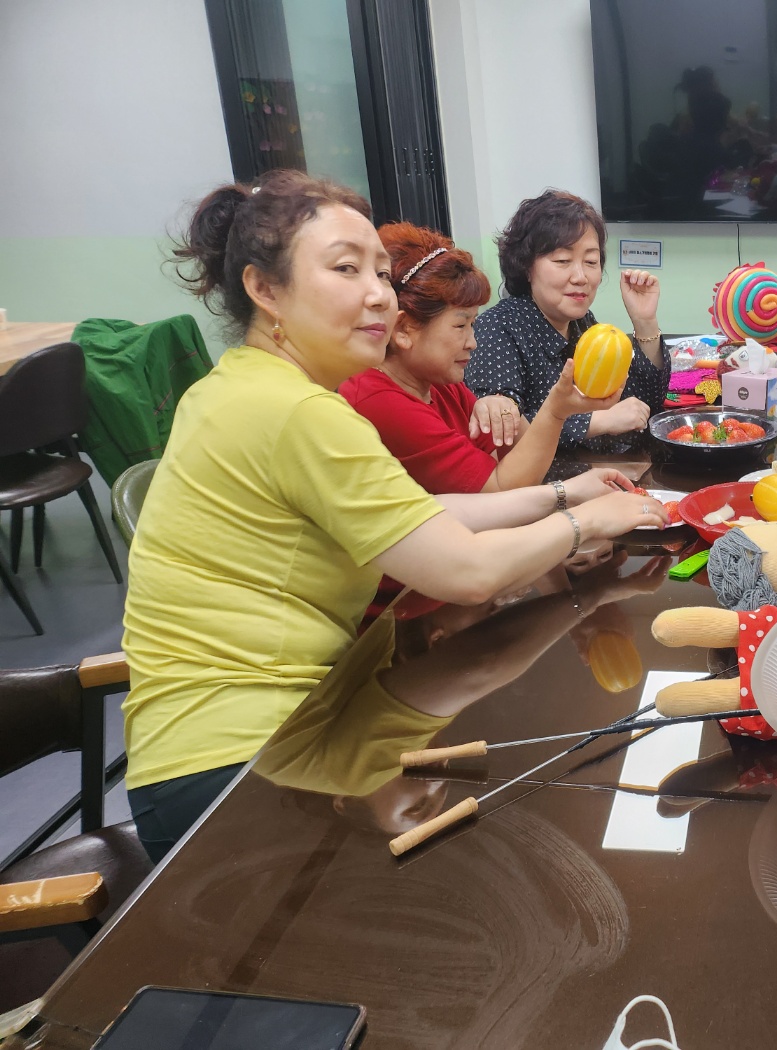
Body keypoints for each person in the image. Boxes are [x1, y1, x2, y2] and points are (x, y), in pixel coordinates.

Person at [123, 170, 668, 861]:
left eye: (381, 272)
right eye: (345, 269)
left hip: (301, 716)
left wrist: (565, 495)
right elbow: (467, 572)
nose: (380, 294)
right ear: (265, 289)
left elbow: (419, 514)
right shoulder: (300, 411)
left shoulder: (242, 385)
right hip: (229, 769)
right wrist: (591, 524)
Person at [342, 221, 621, 494]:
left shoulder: (442, 384)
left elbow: (516, 458)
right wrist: (556, 410)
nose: (473, 342)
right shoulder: (381, 401)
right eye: (460, 325)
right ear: (403, 330)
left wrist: (506, 410)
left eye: (473, 324)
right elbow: (501, 488)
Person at [466, 191, 670, 451]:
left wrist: (645, 321)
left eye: (591, 261)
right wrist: (596, 421)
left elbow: (643, 403)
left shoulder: (582, 323)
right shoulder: (497, 328)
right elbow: (503, 430)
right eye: (563, 260)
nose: (580, 277)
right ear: (526, 267)